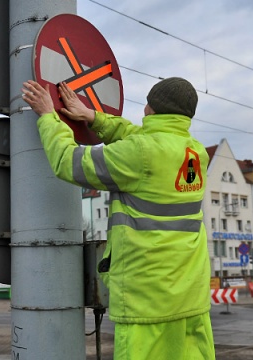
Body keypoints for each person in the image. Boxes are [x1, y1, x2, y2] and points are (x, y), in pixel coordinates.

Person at [22, 77, 215, 359]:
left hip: (146, 299)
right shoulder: (195, 152)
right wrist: (93, 118)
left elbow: (68, 162)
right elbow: (139, 137)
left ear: (150, 108)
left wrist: (49, 117)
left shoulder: (140, 152)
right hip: (192, 296)